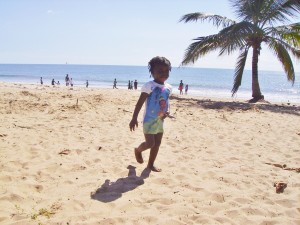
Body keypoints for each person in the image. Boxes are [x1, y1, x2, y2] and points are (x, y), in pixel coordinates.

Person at [129, 56, 172, 172]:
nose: (163, 73)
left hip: (160, 120)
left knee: (157, 144)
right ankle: (138, 150)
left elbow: (166, 101)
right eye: (159, 71)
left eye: (166, 71)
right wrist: (134, 118)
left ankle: (150, 164)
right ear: (152, 72)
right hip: (149, 120)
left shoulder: (168, 87)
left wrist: (167, 112)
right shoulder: (149, 86)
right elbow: (139, 103)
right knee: (150, 143)